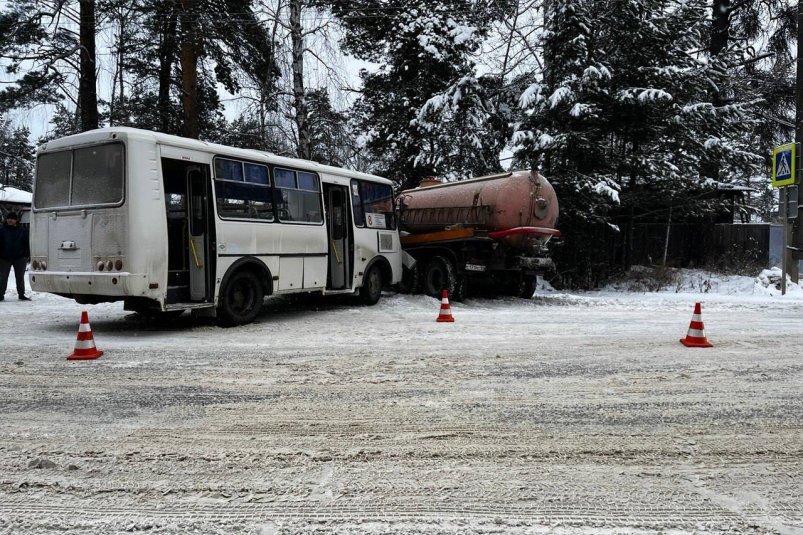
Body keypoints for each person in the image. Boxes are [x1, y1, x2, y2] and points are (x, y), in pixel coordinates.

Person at [0, 211, 30, 301]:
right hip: (4, 258)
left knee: (20, 277)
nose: (10, 220)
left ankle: (21, 294)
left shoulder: (22, 231)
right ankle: (0, 294)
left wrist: (26, 254)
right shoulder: (2, 230)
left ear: (16, 220)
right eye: (9, 218)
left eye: (12, 219)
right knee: (2, 277)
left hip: (20, 258)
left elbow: (26, 243)